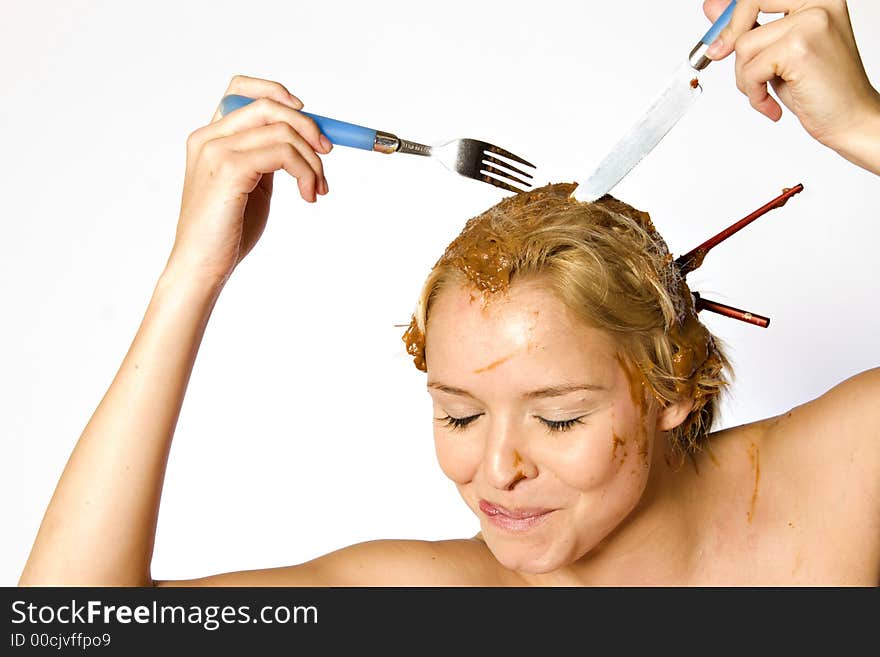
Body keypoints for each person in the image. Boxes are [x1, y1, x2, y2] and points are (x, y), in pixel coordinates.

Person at [19, 0, 880, 586]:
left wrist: (863, 125)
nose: (497, 470)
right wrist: (189, 278)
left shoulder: (838, 479)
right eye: (460, 415)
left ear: (673, 384)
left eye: (559, 417)